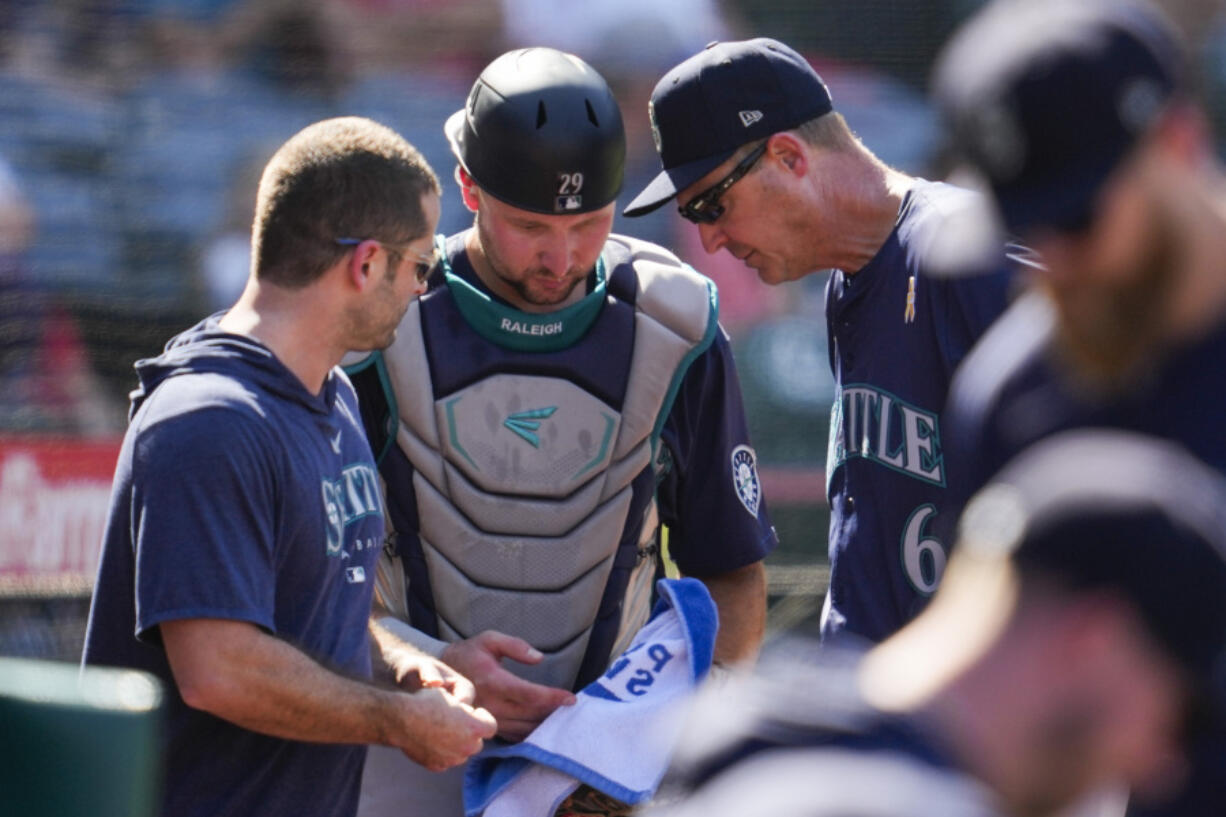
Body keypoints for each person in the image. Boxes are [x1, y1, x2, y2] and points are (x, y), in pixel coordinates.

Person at [344, 47, 778, 817]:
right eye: (531, 225)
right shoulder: (380, 326)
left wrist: (689, 752)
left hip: (604, 777)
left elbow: (732, 573)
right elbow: (313, 590)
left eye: (589, 222)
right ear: (469, 189)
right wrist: (433, 665)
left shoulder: (676, 329)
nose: (563, 256)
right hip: (408, 747)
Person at [82, 116, 497, 817]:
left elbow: (317, 613)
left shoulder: (328, 390)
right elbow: (220, 670)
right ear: (366, 263)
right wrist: (397, 720)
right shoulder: (208, 421)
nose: (422, 289)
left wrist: (400, 665)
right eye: (419, 266)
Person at [933, 2, 1226, 815]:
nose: (1052, 263)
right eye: (1023, 229)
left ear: (1176, 142)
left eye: (1074, 216)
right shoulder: (1014, 401)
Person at [623, 38, 1014, 644]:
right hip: (879, 690)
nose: (710, 241)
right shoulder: (846, 281)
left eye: (712, 204)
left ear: (788, 156)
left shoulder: (964, 253)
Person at [643, 429, 1226, 817]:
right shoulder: (901, 802)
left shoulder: (745, 735)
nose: (1164, 766)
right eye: (1179, 717)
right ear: (1092, 640)